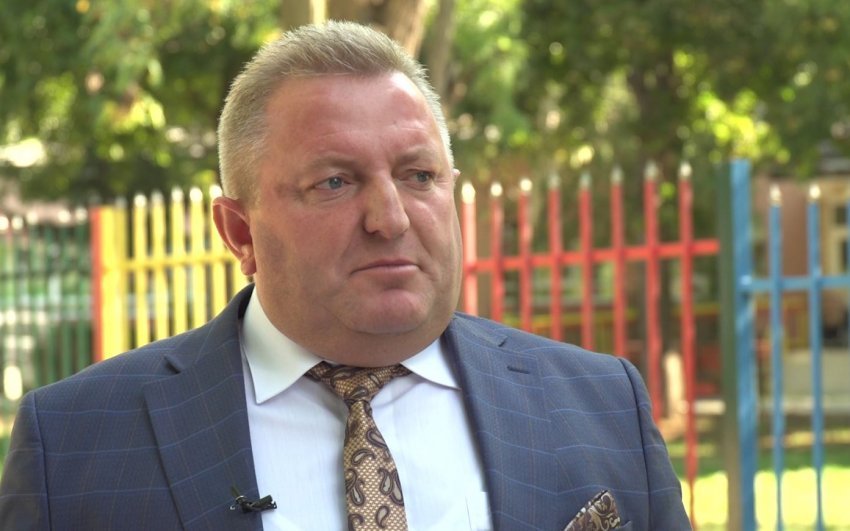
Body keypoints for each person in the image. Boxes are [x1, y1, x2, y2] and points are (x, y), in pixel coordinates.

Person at [0, 21, 690, 531]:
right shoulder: (75, 445)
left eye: (419, 175)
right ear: (240, 232)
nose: (390, 218)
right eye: (334, 182)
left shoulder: (602, 407)